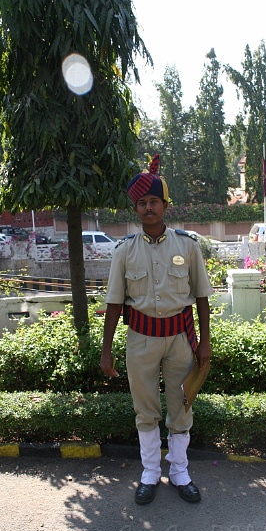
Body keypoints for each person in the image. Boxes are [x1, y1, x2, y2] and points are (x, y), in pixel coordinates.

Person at [100, 154, 213, 505]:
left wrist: (205, 342)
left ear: (165, 205)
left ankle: (179, 471)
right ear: (136, 209)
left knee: (181, 405)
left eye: (154, 201)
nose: (148, 208)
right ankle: (150, 472)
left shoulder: (188, 246)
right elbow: (114, 305)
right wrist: (106, 351)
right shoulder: (124, 252)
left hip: (180, 339)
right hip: (141, 340)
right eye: (142, 203)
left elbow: (202, 298)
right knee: (145, 407)